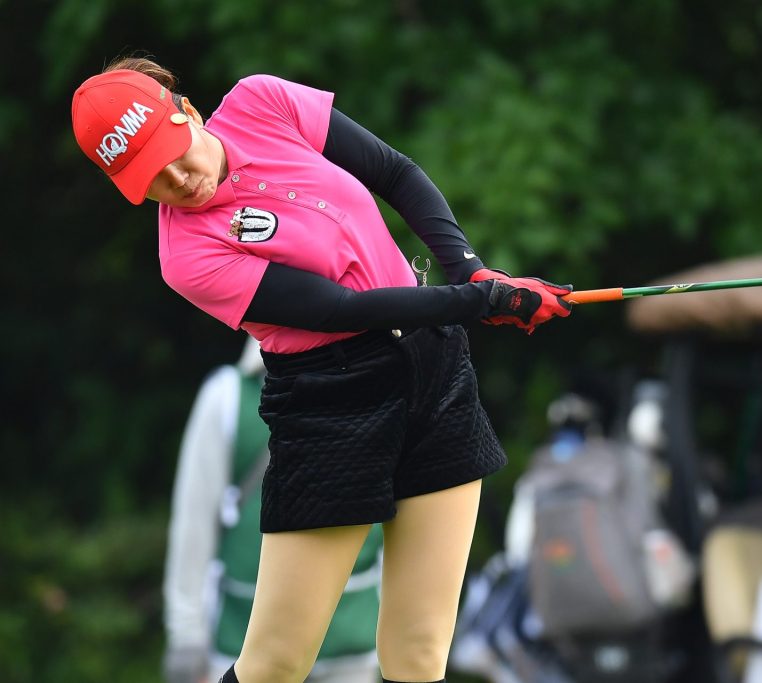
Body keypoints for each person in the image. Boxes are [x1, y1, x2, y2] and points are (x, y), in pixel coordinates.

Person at [71, 56, 572, 683]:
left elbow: (396, 172)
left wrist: (472, 272)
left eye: (175, 154)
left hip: (434, 369)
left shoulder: (262, 103)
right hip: (332, 402)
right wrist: (479, 302)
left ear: (188, 112)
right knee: (275, 664)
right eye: (152, 181)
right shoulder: (187, 256)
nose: (179, 180)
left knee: (420, 653)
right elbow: (341, 310)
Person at [163, 335, 383, 683]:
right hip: (243, 642)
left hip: (350, 641)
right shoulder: (228, 396)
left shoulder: (376, 384)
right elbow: (194, 522)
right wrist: (187, 634)